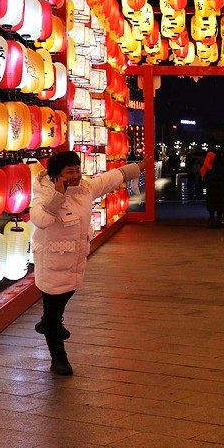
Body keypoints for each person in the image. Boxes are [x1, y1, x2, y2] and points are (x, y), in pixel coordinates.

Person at [30, 151, 141, 376]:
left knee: (65, 296)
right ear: (56, 175)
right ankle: (58, 359)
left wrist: (137, 168)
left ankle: (48, 321)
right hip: (51, 262)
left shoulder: (84, 189)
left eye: (77, 170)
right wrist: (58, 195)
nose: (76, 175)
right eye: (69, 171)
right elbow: (40, 219)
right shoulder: (44, 193)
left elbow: (108, 180)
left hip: (73, 262)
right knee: (54, 312)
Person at [201, 150, 224, 227]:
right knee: (220, 206)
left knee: (211, 207)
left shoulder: (211, 169)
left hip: (212, 190)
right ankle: (218, 222)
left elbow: (205, 178)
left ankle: (212, 222)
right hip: (222, 190)